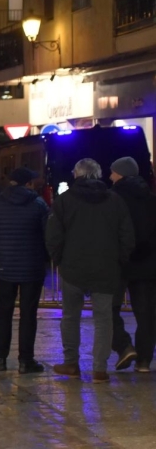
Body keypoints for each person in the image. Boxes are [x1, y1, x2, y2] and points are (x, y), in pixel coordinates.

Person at [46, 158, 134, 383]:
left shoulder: (64, 201)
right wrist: (118, 261)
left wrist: (60, 261)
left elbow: (54, 235)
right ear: (98, 175)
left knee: (70, 316)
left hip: (73, 269)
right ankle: (99, 369)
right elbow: (127, 236)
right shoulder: (114, 200)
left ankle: (71, 363)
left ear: (77, 175)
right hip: (106, 269)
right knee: (104, 319)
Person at [0, 167, 49, 374]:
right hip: (32, 268)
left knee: (4, 312)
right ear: (28, 183)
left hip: (6, 267)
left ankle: (0, 357)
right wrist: (44, 257)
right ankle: (26, 361)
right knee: (28, 314)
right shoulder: (38, 204)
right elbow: (48, 235)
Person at [108, 157, 156, 372]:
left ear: (121, 174)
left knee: (108, 309)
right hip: (146, 263)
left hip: (118, 261)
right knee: (146, 314)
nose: (110, 176)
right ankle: (144, 361)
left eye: (113, 172)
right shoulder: (150, 198)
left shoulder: (112, 199)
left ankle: (124, 345)